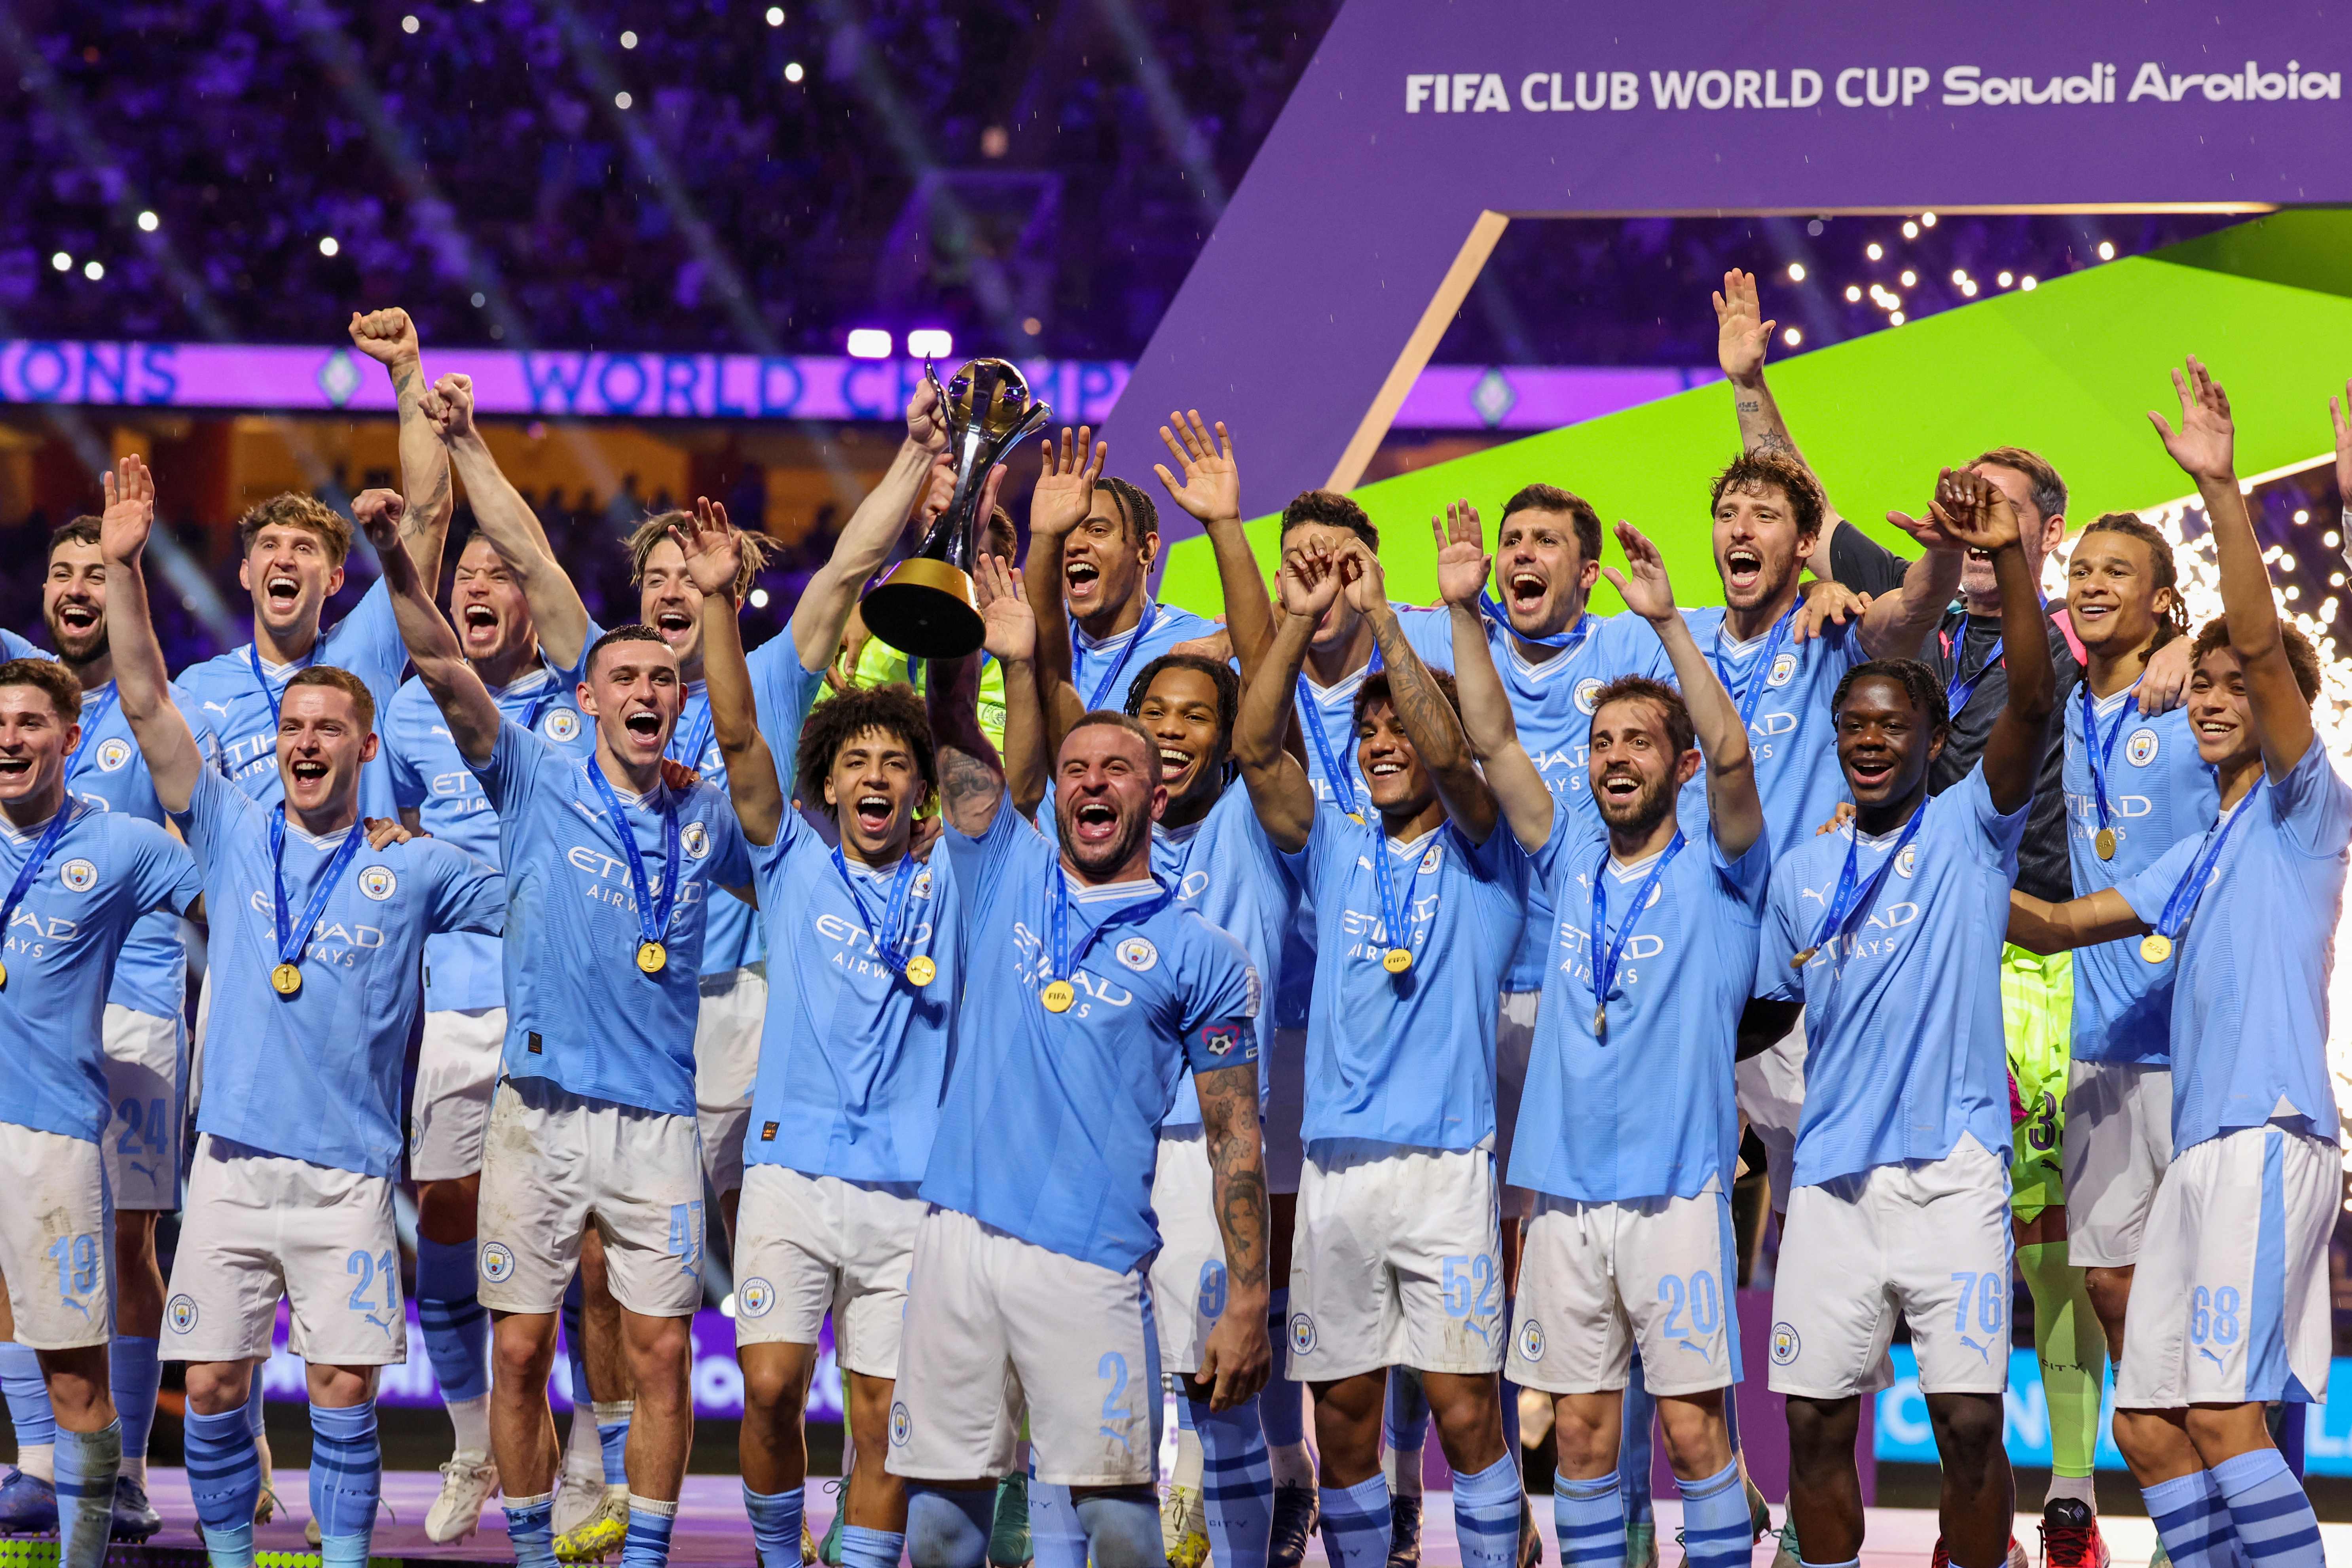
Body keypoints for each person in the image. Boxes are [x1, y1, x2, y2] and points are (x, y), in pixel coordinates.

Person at [1715, 268, 2190, 1565]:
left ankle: (2071, 1493)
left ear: (2044, 531)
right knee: (1901, 1230)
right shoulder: (1913, 623)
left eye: (2001, 515)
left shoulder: (2076, 629)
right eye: (1960, 507)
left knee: (2044, 1244)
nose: (1971, 530)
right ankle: (1951, 1487)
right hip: (1905, 959)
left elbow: (2179, 641)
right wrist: (1753, 388)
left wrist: (2168, 646)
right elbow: (1808, 522)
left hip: (2041, 966)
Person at [428, 374, 941, 1555]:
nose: (667, 598)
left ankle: (797, 1501)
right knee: (604, 1266)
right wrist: (462, 449)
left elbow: (848, 576)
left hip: (756, 1006)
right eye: (653, 582)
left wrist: (914, 461)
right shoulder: (600, 674)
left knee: (758, 1272)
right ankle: (595, 1476)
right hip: (626, 1018)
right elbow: (529, 553)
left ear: (723, 585)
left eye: (686, 581)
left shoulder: (761, 674)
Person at [104, 461, 506, 1568]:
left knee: (342, 1393)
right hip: (229, 1161)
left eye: (332, 726)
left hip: (349, 1176)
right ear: (274, 742)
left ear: (367, 750)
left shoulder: (415, 863)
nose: (309, 740)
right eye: (294, 726)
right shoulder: (233, 829)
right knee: (219, 1386)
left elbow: (537, 891)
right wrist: (129, 567)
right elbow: (143, 700)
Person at [361, 479, 754, 1568]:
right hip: (535, 1115)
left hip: (659, 1127)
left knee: (663, 1352)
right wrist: (400, 555)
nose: (645, 691)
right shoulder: (531, 779)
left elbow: (755, 759)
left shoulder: (706, 813)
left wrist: (714, 614)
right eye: (623, 676)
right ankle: (535, 1552)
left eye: (661, 680)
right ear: (585, 699)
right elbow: (444, 670)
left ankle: (643, 1557)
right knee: (523, 1348)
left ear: (679, 704)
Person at [2007, 359, 2340, 1568]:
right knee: (2148, 1426)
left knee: (2220, 1413)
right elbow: (2049, 925)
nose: (2207, 698)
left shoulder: (2304, 809)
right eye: (2194, 686)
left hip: (2264, 1130)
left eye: (2227, 687)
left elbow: (2254, 640)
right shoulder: (2195, 852)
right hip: (2198, 1140)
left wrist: (2220, 493)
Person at [890, 558, 1271, 1568]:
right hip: (956, 1238)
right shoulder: (1002, 867)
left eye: (1116, 769)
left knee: (1116, 1520)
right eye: (1076, 769)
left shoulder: (1201, 953)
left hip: (1091, 1261)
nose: (1092, 781)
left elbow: (1236, 1133)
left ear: (1156, 791)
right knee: (937, 1523)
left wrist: (1246, 1297)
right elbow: (955, 739)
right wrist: (985, 647)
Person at [1444, 506, 1773, 1568]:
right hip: (1566, 1195)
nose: (1614, 756)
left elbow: (1732, 750)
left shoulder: (1724, 867)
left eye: (1639, 741)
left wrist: (1673, 626)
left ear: (1675, 766)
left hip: (1676, 1192)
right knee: (1580, 1433)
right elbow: (1490, 738)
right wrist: (1460, 611)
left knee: (1690, 1430)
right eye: (1601, 742)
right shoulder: (1568, 850)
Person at [1751, 467, 2054, 1568]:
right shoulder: (1801, 871)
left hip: (1954, 1172)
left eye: (1891, 726)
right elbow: (1762, 1016)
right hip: (1834, 1182)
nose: (1870, 742)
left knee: (1972, 1424)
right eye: (1854, 727)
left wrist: (2007, 553)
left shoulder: (1974, 833)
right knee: (1818, 1426)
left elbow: (2029, 701)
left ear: (1932, 741)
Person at [681, 497, 973, 1568]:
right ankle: (773, 1551)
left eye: (898, 763)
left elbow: (992, 776)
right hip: (790, 1175)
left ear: (921, 789)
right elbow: (736, 733)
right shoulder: (791, 862)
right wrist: (717, 602)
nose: (877, 779)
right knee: (768, 1388)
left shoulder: (954, 872)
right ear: (829, 782)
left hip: (909, 1189)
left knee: (885, 1412)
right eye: (858, 763)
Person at [1024, 411, 1294, 1568]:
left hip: (1209, 1103)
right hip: (1086, 1102)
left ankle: (1250, 1508)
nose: (1166, 730)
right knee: (1077, 1371)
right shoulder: (1078, 749)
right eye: (1152, 718)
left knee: (1223, 1363)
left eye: (1098, 531)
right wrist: (1035, 545)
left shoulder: (1238, 753)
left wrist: (1228, 526)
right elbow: (1023, 668)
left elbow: (1263, 675)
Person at [1233, 535, 1529, 1568]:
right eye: (1371, 731)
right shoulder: (1337, 842)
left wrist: (1390, 626)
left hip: (1445, 1168)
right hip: (1332, 1169)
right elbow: (1257, 750)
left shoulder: (1488, 847)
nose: (1385, 743)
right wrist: (1298, 628)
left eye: (1401, 724)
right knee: (1345, 1417)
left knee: (1463, 1408)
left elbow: (1457, 758)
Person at [381, 504, 601, 1542]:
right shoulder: (408, 708)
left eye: (502, 572)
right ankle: (472, 1441)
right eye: (465, 570)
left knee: (584, 1239)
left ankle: (593, 1451)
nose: (478, 585)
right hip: (459, 1000)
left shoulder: (583, 699)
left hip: (568, 1003)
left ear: (534, 595)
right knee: (448, 1219)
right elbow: (388, 841)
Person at [0, 515, 215, 1545]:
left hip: (137, 999)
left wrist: (129, 568)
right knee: (19, 1236)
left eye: (98, 573)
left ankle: (123, 1467)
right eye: (63, 571)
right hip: (38, 1010)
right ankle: (38, 1463)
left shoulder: (144, 695)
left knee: (128, 1235)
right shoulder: (20, 683)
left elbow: (150, 695)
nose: (76, 586)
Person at [2046, 510, 2217, 1555]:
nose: (2092, 583)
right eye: (2080, 571)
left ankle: (2214, 1525)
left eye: (2118, 570)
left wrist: (2206, 647)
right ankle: (2188, 1521)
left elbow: (2265, 658)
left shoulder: (2202, 688)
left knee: (2205, 1313)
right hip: (2100, 1045)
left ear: (2164, 596)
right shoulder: (2070, 704)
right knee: (2111, 1287)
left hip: (2196, 1049)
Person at [1020, 426, 1220, 723]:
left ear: (1147, 549)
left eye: (1098, 530)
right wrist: (1046, 536)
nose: (1074, 545)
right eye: (1065, 535)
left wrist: (1231, 638)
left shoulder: (1198, 646)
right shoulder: (1027, 634)